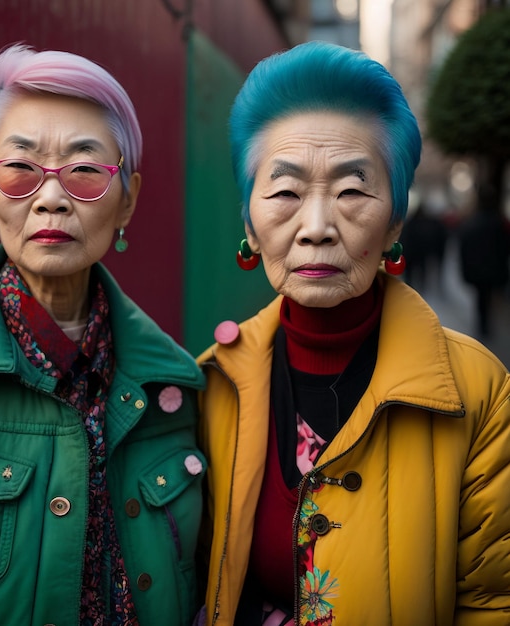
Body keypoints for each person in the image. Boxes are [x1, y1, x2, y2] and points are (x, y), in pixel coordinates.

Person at [0, 44, 206, 626]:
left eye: (84, 170)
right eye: (21, 169)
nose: (52, 197)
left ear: (127, 198)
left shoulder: (176, 388)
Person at [196, 42, 510, 626]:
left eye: (351, 191)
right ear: (249, 223)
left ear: (395, 220)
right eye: (286, 193)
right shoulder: (209, 383)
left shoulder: (481, 393)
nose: (317, 228)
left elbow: (494, 602)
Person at [458, 185, 510, 338]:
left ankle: (482, 323)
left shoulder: (472, 223)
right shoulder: (497, 224)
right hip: (492, 269)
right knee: (486, 296)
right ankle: (485, 324)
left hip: (478, 269)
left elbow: (464, 247)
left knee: (482, 296)